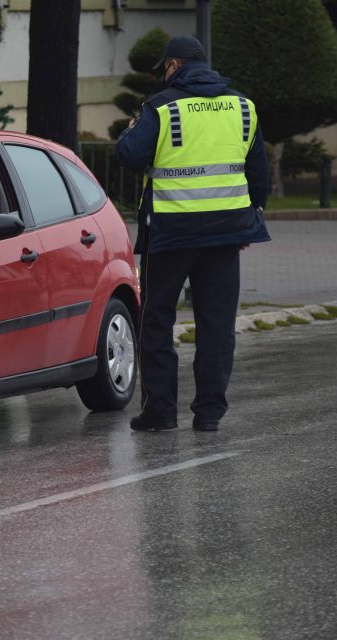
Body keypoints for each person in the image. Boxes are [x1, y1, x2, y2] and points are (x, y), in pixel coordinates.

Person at [116, 36, 270, 432]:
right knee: (217, 325)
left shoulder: (161, 106)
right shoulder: (243, 106)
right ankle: (209, 414)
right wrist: (251, 218)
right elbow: (258, 174)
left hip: (171, 232)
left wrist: (134, 125)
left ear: (173, 65)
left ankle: (160, 412)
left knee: (156, 321)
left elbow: (130, 155)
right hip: (225, 235)